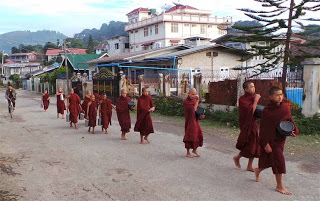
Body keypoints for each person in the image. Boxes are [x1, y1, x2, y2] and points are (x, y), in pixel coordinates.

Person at [254, 86, 299, 195]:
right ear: (271, 97)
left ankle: (258, 170)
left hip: (280, 139)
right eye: (277, 95)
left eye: (281, 95)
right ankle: (279, 186)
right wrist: (265, 144)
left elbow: (289, 120)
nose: (280, 97)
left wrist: (294, 131)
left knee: (271, 159)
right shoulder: (266, 111)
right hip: (270, 140)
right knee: (279, 160)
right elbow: (264, 129)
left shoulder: (285, 108)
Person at [233, 81, 261, 171]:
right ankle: (237, 157)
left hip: (253, 124)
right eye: (251, 87)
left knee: (254, 144)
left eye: (254, 87)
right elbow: (251, 111)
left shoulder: (253, 97)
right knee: (249, 144)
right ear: (246, 89)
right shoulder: (242, 99)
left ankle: (249, 165)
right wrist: (256, 100)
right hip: (246, 124)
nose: (254, 88)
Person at [183, 88, 203, 158]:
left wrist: (200, 115)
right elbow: (193, 110)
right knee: (189, 136)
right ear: (189, 94)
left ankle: (194, 149)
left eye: (195, 94)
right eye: (192, 94)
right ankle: (188, 152)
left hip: (195, 120)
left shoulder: (194, 100)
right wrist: (197, 100)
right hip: (189, 122)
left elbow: (197, 109)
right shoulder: (186, 102)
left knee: (199, 134)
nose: (194, 96)